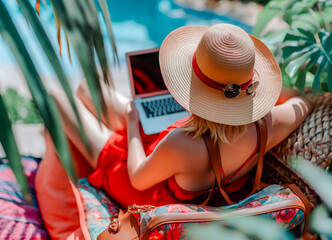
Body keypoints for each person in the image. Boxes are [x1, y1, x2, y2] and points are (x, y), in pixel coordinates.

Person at [50, 23, 313, 208]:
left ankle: (124, 122)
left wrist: (132, 124)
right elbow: (303, 102)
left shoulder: (179, 142)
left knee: (55, 94)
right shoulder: (268, 125)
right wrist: (254, 96)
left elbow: (138, 179)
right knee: (89, 88)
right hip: (194, 161)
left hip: (149, 189)